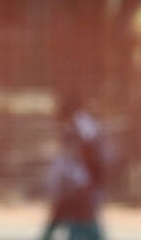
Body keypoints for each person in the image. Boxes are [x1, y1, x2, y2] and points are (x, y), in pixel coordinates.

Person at [41, 98, 109, 240]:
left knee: (80, 213)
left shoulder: (81, 124)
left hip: (82, 178)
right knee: (69, 212)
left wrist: (86, 177)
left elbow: (88, 149)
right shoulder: (79, 124)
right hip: (79, 177)